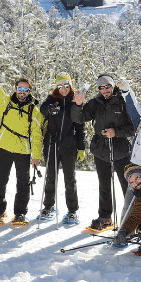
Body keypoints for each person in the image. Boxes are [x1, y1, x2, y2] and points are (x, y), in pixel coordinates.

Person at [0, 56, 44, 225]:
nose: (22, 92)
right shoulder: (6, 103)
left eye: (25, 90)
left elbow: (37, 136)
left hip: (23, 152)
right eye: (19, 88)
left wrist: (36, 156)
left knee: (23, 184)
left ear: (29, 92)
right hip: (4, 148)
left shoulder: (34, 112)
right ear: (15, 89)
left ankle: (20, 214)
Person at [75, 74, 135, 231]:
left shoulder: (123, 102)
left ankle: (132, 217)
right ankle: (105, 217)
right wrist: (78, 104)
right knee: (104, 185)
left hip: (121, 151)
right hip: (101, 150)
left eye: (108, 86)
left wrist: (116, 132)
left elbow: (133, 128)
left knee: (127, 186)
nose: (105, 90)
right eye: (101, 87)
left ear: (113, 86)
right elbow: (78, 118)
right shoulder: (95, 103)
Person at [38, 73, 85, 224]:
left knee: (69, 178)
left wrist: (81, 147)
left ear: (70, 86)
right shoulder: (52, 99)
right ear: (57, 87)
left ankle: (72, 211)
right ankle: (48, 206)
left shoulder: (74, 100)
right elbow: (42, 109)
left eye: (66, 86)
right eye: (60, 86)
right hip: (52, 143)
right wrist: (50, 109)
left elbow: (80, 126)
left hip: (69, 145)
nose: (63, 89)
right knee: (51, 176)